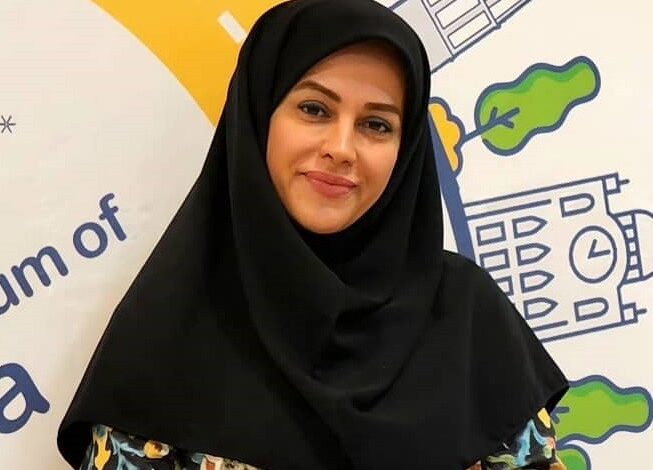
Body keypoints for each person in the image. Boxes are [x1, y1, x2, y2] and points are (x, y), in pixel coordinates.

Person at [57, 0, 568, 469]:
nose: (341, 148)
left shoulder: (468, 318)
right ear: (259, 115)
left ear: (407, 148)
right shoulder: (167, 329)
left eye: (376, 125)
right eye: (314, 110)